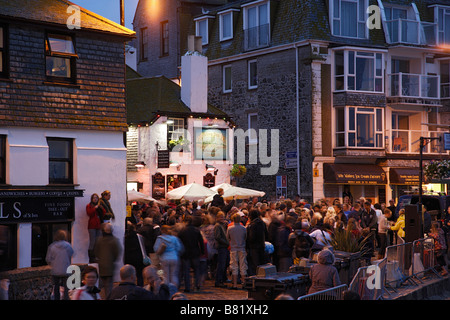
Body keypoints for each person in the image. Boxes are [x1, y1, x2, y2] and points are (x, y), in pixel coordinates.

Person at [177, 215, 205, 292]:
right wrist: (202, 251)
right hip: (195, 252)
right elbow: (201, 242)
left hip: (185, 253)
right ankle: (196, 285)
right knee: (196, 270)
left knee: (186, 271)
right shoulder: (196, 230)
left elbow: (178, 241)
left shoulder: (182, 231)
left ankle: (187, 287)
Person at [94, 223, 121, 299]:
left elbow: (96, 251)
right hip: (110, 265)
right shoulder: (114, 240)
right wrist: (113, 260)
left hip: (102, 265)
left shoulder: (99, 240)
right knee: (109, 285)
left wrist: (100, 259)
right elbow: (117, 252)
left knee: (101, 283)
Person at [45, 230, 74, 300]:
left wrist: (53, 263)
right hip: (66, 270)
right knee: (66, 288)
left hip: (55, 270)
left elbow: (48, 259)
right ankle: (66, 298)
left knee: (56, 287)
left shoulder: (52, 246)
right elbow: (72, 254)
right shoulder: (68, 246)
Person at [227, 213, 247, 289]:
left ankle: (234, 284)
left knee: (234, 266)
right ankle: (244, 283)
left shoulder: (230, 228)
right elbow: (245, 238)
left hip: (233, 248)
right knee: (243, 266)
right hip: (242, 248)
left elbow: (228, 238)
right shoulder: (243, 228)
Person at [246, 209, 268, 276]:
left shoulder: (252, 225)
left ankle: (256, 278)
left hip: (253, 247)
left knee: (255, 264)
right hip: (261, 245)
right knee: (262, 264)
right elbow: (266, 235)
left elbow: (251, 237)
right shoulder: (263, 223)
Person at [214, 212, 230, 288]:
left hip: (224, 247)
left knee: (224, 263)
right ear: (217, 218)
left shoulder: (222, 225)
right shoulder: (217, 226)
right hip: (221, 247)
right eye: (221, 217)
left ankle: (222, 279)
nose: (222, 218)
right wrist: (226, 242)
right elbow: (218, 237)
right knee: (221, 264)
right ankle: (218, 281)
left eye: (223, 217)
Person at [86, 193, 103, 262]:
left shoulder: (99, 206)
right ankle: (91, 257)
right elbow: (89, 213)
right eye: (94, 198)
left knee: (98, 241)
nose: (95, 199)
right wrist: (94, 208)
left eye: (96, 198)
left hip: (99, 225)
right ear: (92, 199)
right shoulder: (89, 206)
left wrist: (101, 208)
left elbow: (103, 213)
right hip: (92, 226)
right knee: (92, 241)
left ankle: (97, 256)